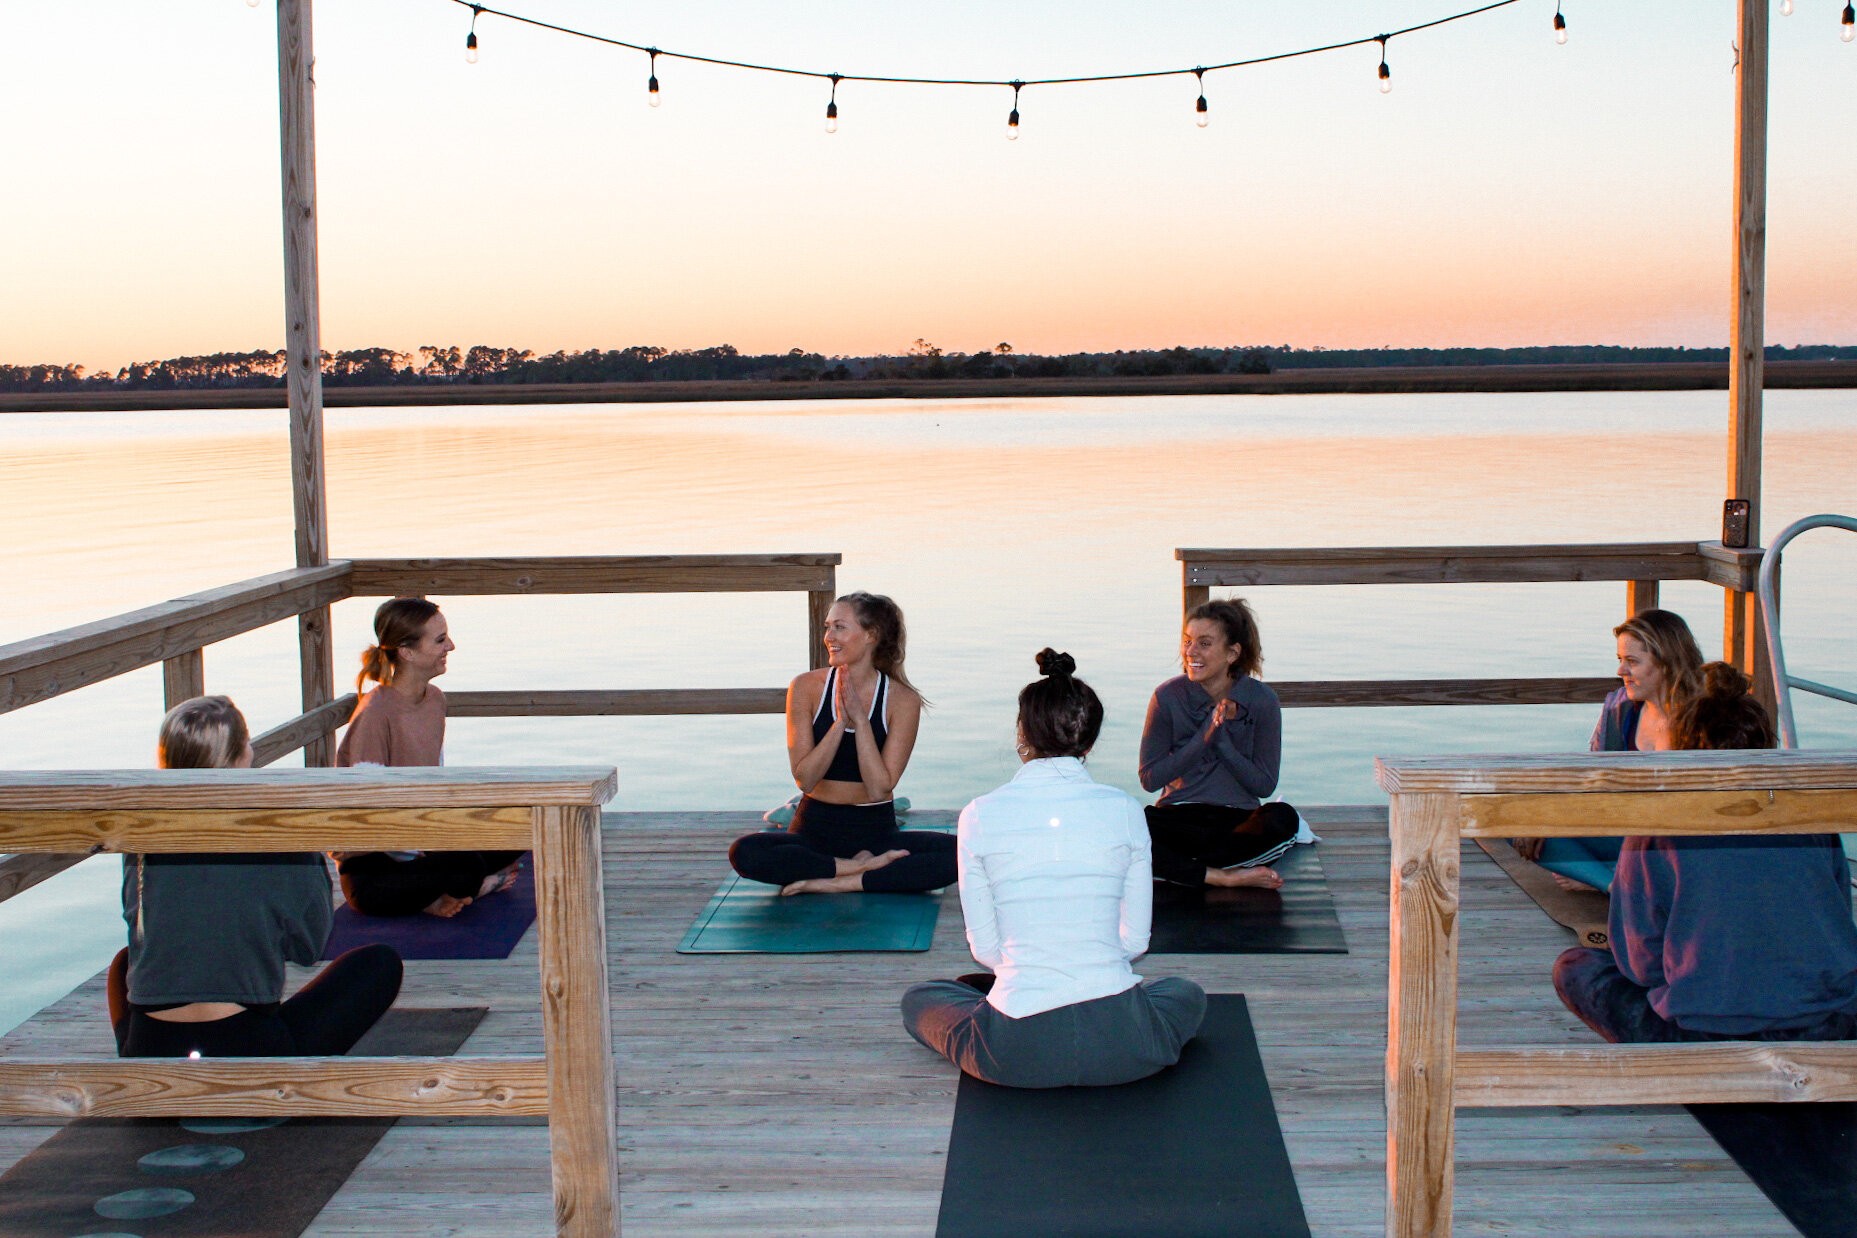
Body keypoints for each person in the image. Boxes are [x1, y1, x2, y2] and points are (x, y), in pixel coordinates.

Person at [901, 649, 1207, 1088]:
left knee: (921, 999)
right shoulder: (1125, 811)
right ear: (1090, 740)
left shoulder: (980, 814)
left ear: (1022, 732)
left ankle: (989, 996)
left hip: (1015, 1054)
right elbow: (1135, 942)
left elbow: (986, 950)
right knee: (1185, 993)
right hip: (1126, 1046)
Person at [1552, 662, 1857, 1043]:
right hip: (1830, 1025)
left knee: (1576, 967)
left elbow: (1640, 965)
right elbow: (1840, 917)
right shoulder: (1814, 817)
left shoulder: (1658, 827)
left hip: (1708, 1030)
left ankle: (1704, 1077)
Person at [107, 695, 402, 1058]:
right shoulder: (278, 833)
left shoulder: (141, 836)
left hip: (151, 1045)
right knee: (379, 964)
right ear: (238, 758)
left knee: (123, 963)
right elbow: (308, 947)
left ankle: (143, 1067)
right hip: (248, 1046)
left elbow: (137, 925)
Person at [729, 592, 955, 895]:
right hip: (814, 827)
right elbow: (805, 779)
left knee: (960, 854)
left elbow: (879, 788)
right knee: (744, 852)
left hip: (875, 832)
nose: (829, 637)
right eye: (827, 627)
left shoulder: (902, 700)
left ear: (871, 635)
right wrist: (839, 725)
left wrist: (861, 723)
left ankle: (836, 881)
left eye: (840, 627)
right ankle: (857, 869)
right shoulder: (806, 687)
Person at [334, 597, 525, 917]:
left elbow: (435, 782)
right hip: (375, 868)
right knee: (466, 864)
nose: (450, 645)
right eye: (439, 640)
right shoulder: (376, 712)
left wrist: (458, 829)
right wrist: (438, 846)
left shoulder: (435, 700)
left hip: (425, 846)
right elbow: (369, 817)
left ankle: (451, 889)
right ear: (407, 652)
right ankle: (468, 887)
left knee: (518, 824)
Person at [1521, 608, 1706, 893]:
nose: (1621, 671)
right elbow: (1591, 780)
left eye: (1632, 661)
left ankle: (1606, 878)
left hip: (1682, 844)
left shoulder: (1705, 718)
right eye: (1620, 660)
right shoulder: (1619, 709)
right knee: (1521, 825)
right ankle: (1616, 887)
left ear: (1667, 663)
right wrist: (1544, 814)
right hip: (1625, 832)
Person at [1138, 598, 1298, 889]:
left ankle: (1181, 869)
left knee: (1283, 817)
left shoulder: (1262, 700)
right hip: (1175, 817)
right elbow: (1149, 779)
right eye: (1188, 641)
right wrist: (1204, 736)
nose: (1190, 652)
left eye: (1204, 643)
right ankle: (1222, 874)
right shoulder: (1167, 697)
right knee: (1124, 825)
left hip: (1235, 823)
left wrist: (1222, 741)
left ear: (1232, 653)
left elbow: (1263, 786)